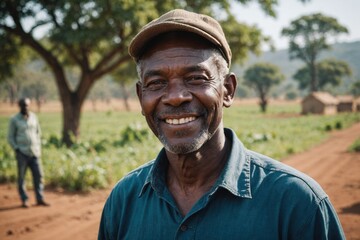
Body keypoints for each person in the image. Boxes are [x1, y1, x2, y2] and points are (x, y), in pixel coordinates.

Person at [98, 9, 344, 239]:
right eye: (156, 83)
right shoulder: (123, 200)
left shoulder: (297, 203)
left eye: (196, 78)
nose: (175, 97)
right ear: (141, 98)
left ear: (228, 90)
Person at [8, 98, 50, 208]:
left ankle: (40, 198)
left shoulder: (34, 117)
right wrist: (17, 148)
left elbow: (38, 133)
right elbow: (10, 137)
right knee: (22, 177)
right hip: (22, 152)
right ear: (19, 106)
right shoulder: (14, 120)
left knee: (39, 175)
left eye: (27, 105)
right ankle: (24, 199)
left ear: (29, 105)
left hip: (34, 152)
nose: (25, 107)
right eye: (23, 105)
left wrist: (38, 147)